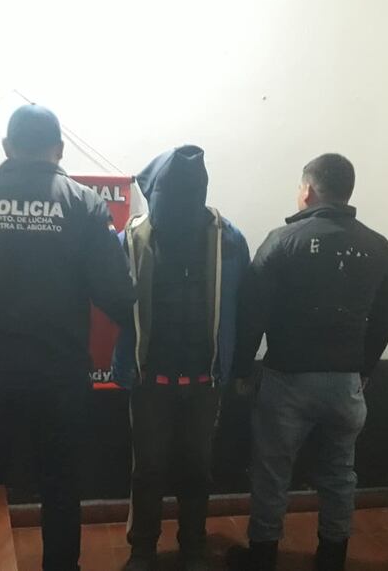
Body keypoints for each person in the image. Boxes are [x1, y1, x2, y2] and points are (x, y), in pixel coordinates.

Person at [0, 104, 135, 571]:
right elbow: (116, 293)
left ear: (7, 147)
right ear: (60, 150)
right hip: (60, 376)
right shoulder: (84, 203)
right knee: (61, 485)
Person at [228, 154, 388, 571]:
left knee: (272, 473)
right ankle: (332, 557)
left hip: (287, 378)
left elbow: (252, 313)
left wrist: (241, 370)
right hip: (345, 383)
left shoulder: (282, 242)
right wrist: (363, 368)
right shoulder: (379, 247)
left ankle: (263, 557)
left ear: (307, 191)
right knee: (340, 473)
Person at [112, 145, 250, 571]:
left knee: (197, 470)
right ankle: (143, 549)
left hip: (205, 380)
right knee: (148, 470)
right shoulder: (131, 239)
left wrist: (236, 367)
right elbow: (113, 298)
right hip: (150, 379)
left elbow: (244, 304)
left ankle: (193, 546)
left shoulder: (228, 239)